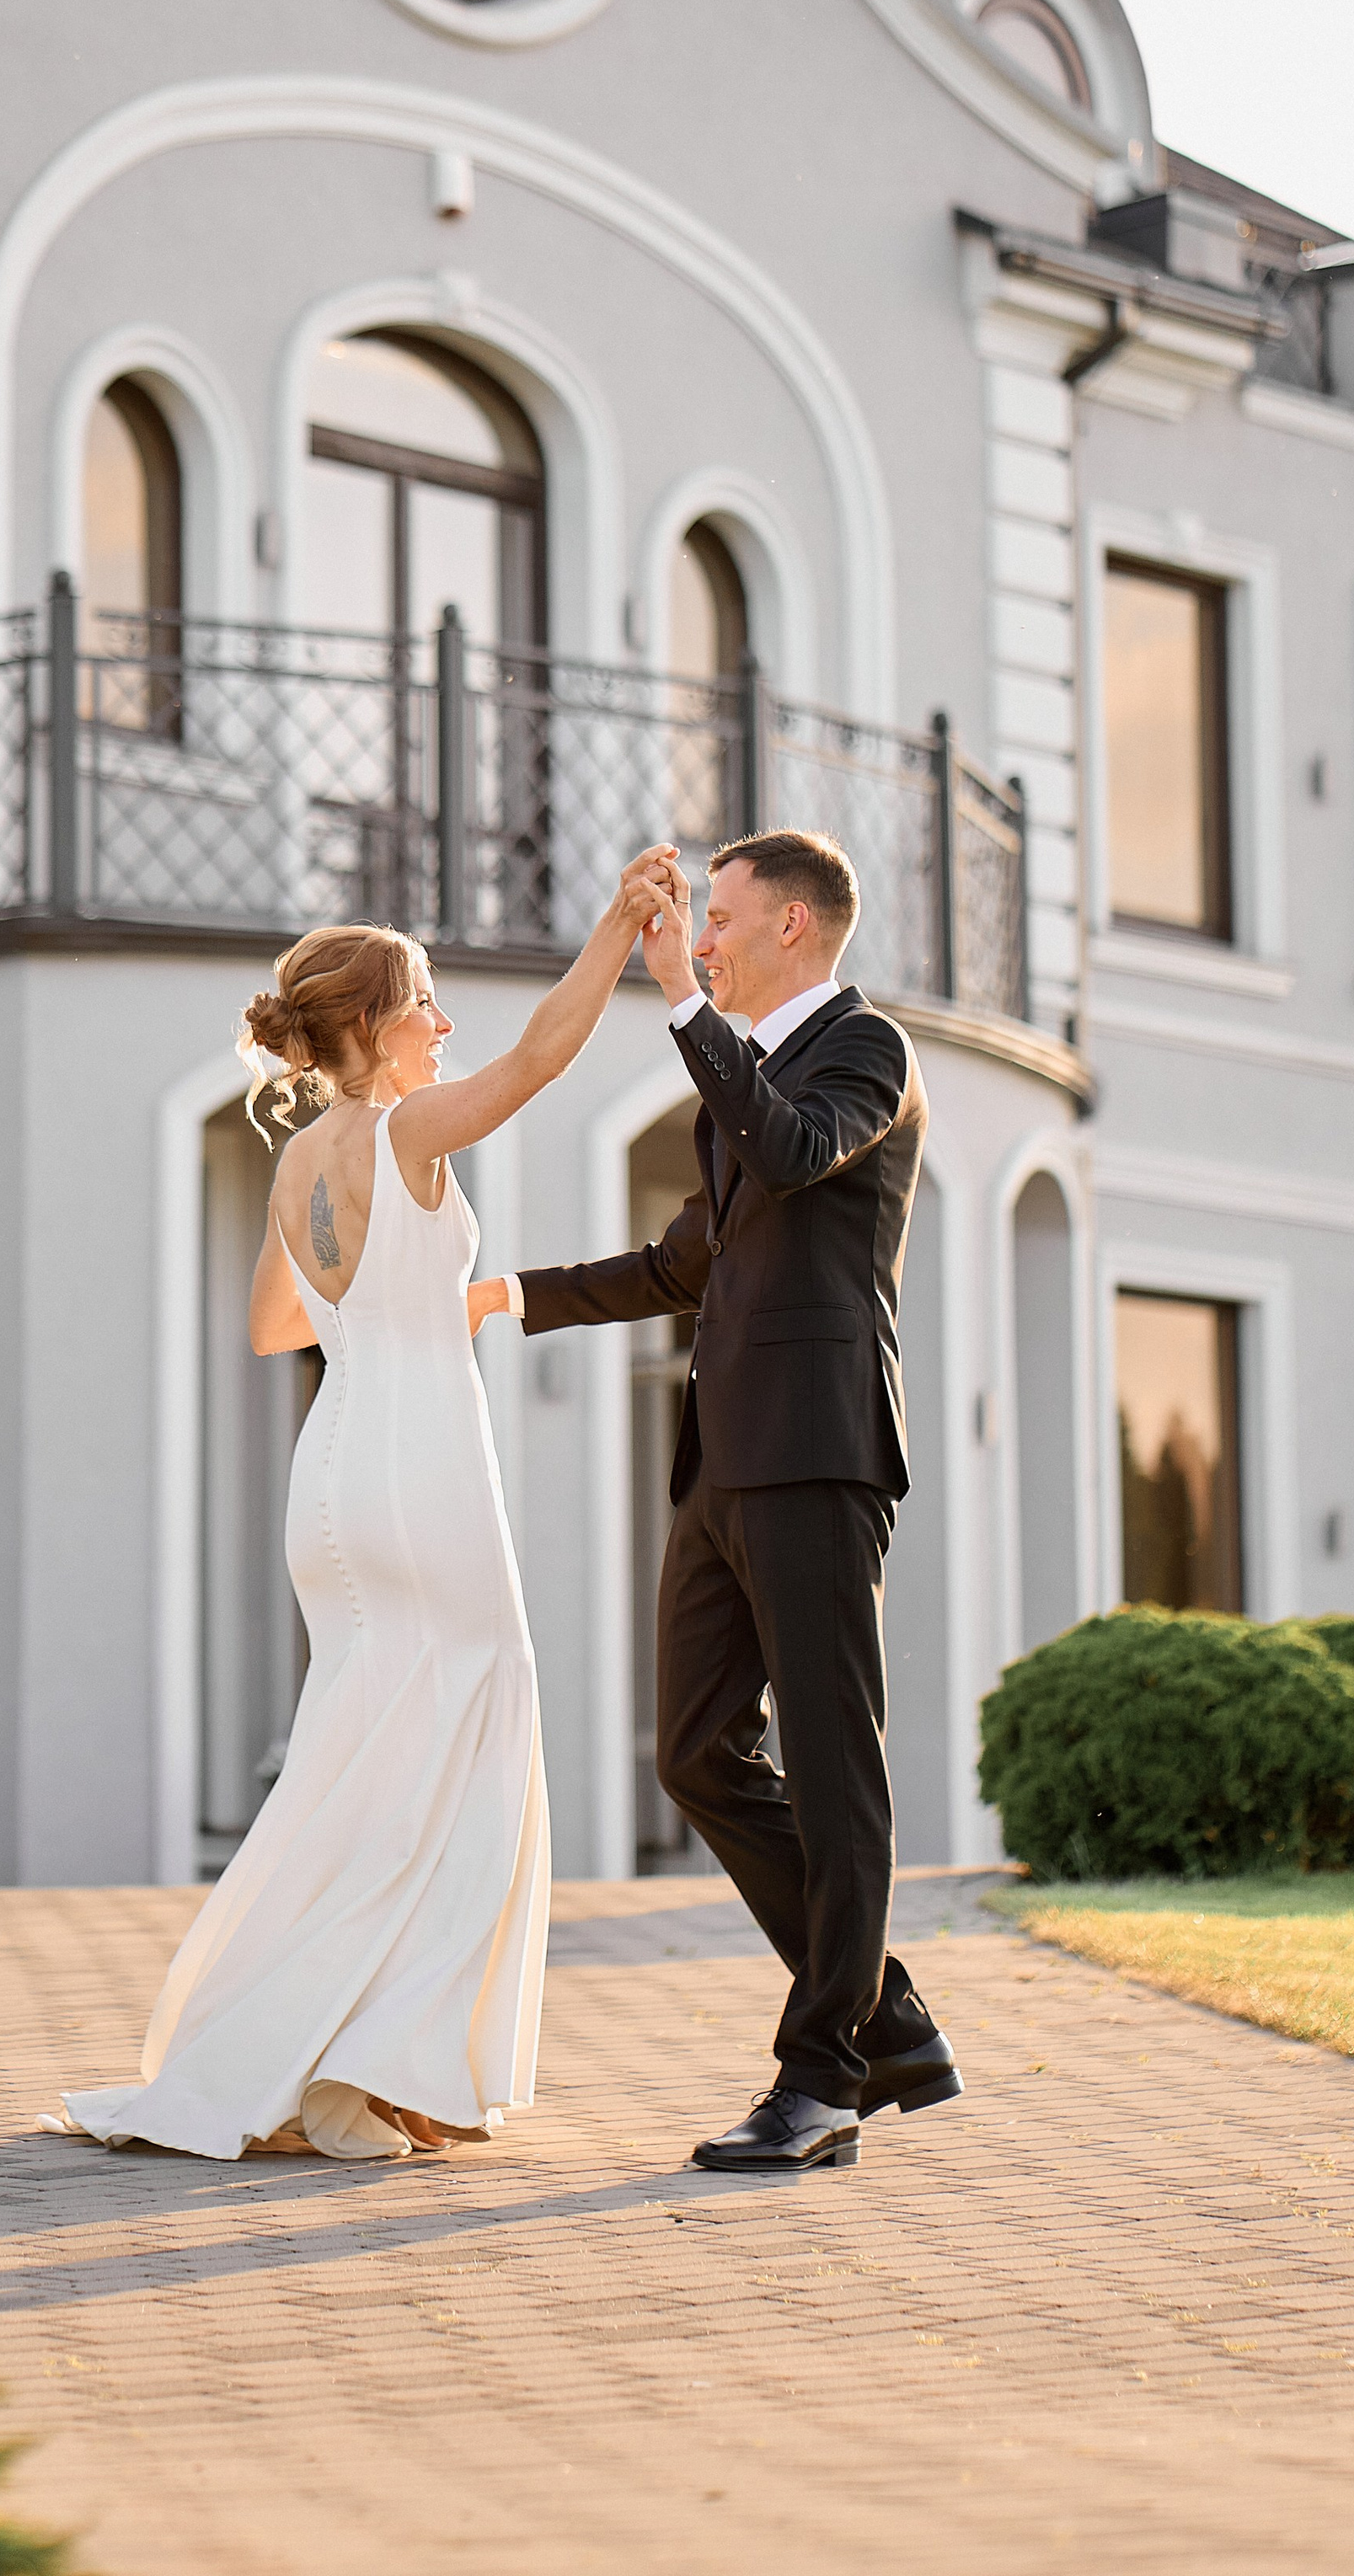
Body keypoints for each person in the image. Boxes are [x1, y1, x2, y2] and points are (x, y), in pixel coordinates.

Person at [54, 848, 677, 2165]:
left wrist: (390, 1301)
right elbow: (537, 1066)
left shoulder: (295, 1165)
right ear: (369, 1028)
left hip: (333, 1468)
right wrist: (617, 930)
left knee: (355, 1758)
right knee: (478, 1716)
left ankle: (316, 2057)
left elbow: (278, 1322)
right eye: (429, 1001)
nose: (446, 1024)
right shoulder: (399, 1130)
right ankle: (386, 2062)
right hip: (423, 1459)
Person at [494, 827, 961, 2173]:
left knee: (833, 1765)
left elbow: (798, 1145)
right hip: (722, 1461)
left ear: (795, 928)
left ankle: (821, 2079)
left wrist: (686, 1011)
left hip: (822, 1452)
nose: (700, 939)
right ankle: (886, 2019)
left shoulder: (867, 1053)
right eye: (701, 926)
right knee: (696, 1752)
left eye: (722, 918)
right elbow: (689, 1259)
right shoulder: (736, 1085)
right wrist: (516, 1296)